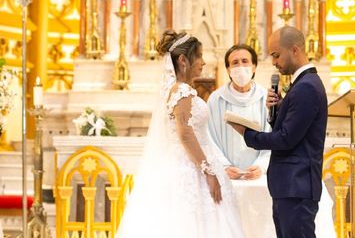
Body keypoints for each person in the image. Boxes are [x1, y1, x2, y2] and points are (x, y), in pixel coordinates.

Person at [116, 30, 245, 238]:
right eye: (200, 56)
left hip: (188, 162)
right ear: (183, 60)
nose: (203, 62)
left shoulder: (178, 90)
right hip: (191, 168)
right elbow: (185, 134)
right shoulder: (181, 91)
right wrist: (208, 171)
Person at [228, 26, 328, 238]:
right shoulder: (302, 84)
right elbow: (291, 130)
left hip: (297, 185)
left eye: (276, 55)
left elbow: (286, 139)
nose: (273, 62)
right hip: (291, 185)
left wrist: (246, 133)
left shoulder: (307, 87)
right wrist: (279, 110)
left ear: (294, 50)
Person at [207, 44, 271, 180]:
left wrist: (261, 166)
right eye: (235, 63)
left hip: (258, 176)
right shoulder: (216, 99)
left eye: (245, 61)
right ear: (228, 69)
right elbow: (209, 137)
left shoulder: (266, 98)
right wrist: (224, 167)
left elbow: (272, 136)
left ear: (254, 66)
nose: (240, 67)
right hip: (226, 176)